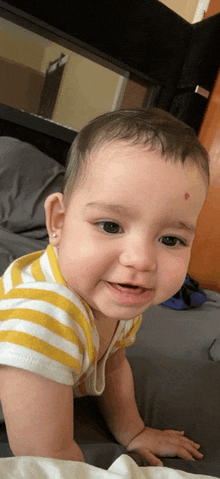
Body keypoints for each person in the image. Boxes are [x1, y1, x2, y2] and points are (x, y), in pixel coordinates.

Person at [0, 108, 209, 466]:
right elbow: (49, 462)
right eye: (111, 226)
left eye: (171, 239)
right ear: (59, 223)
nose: (142, 260)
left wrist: (133, 431)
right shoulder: (42, 319)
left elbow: (112, 360)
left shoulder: (120, 293)